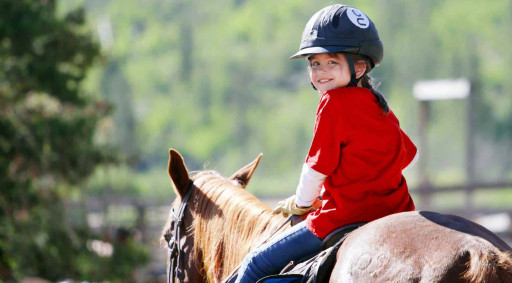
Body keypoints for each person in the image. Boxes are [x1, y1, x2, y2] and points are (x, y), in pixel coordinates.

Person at [233, 4, 418, 282]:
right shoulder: (379, 105)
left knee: (254, 265)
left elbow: (316, 169)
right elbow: (407, 154)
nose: (321, 72)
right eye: (314, 64)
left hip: (341, 218)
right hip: (398, 213)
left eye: (332, 62)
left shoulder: (332, 103)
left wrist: (303, 204)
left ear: (358, 66)